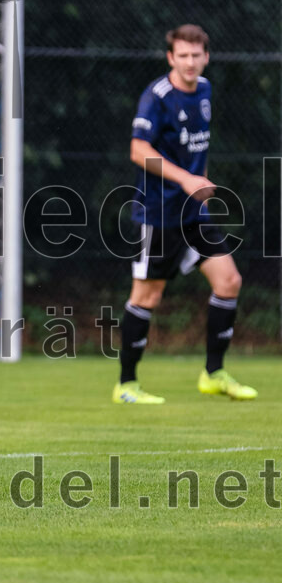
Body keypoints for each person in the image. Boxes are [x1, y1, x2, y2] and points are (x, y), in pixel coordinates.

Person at [114, 24, 256, 404]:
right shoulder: (157, 97)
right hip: (158, 214)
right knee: (147, 297)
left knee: (228, 280)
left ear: (206, 57)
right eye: (183, 55)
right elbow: (137, 150)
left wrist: (201, 185)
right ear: (171, 58)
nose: (190, 62)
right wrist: (186, 179)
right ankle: (126, 385)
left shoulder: (205, 91)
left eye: (197, 55)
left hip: (194, 214)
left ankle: (214, 374)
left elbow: (197, 150)